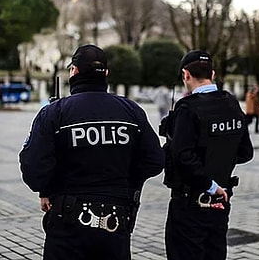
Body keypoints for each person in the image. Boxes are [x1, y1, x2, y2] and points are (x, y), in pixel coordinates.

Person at [19, 44, 164, 260]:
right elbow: (154, 160)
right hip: (115, 222)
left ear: (74, 72)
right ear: (106, 74)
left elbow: (33, 170)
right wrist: (124, 180)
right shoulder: (131, 111)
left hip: (67, 224)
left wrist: (50, 186)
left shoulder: (54, 113)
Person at [160, 50, 254, 260]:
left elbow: (182, 157)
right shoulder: (230, 102)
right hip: (222, 200)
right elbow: (246, 152)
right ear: (212, 74)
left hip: (191, 203)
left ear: (185, 75)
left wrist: (209, 183)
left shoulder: (187, 108)